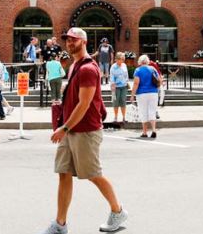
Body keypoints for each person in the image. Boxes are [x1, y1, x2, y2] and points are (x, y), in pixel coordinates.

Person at [39, 27, 127, 234]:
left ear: (84, 42)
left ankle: (118, 211)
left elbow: (85, 103)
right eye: (68, 40)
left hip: (84, 130)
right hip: (70, 130)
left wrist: (64, 127)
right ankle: (60, 224)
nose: (70, 43)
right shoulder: (74, 66)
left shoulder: (88, 69)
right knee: (64, 173)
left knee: (93, 175)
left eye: (74, 40)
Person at [131, 54, 160, 138]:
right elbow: (159, 81)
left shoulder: (138, 70)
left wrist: (132, 95)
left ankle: (145, 132)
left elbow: (136, 83)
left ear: (140, 61)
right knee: (152, 112)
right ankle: (154, 130)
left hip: (142, 93)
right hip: (153, 93)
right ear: (147, 61)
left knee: (143, 112)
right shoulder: (153, 69)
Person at [109, 52, 129, 122]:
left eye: (123, 59)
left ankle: (124, 117)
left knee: (123, 101)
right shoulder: (113, 67)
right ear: (117, 59)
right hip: (116, 87)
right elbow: (112, 77)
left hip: (124, 86)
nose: (123, 61)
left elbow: (126, 75)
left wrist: (127, 82)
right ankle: (115, 117)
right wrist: (113, 85)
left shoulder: (124, 65)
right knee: (116, 102)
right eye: (121, 59)